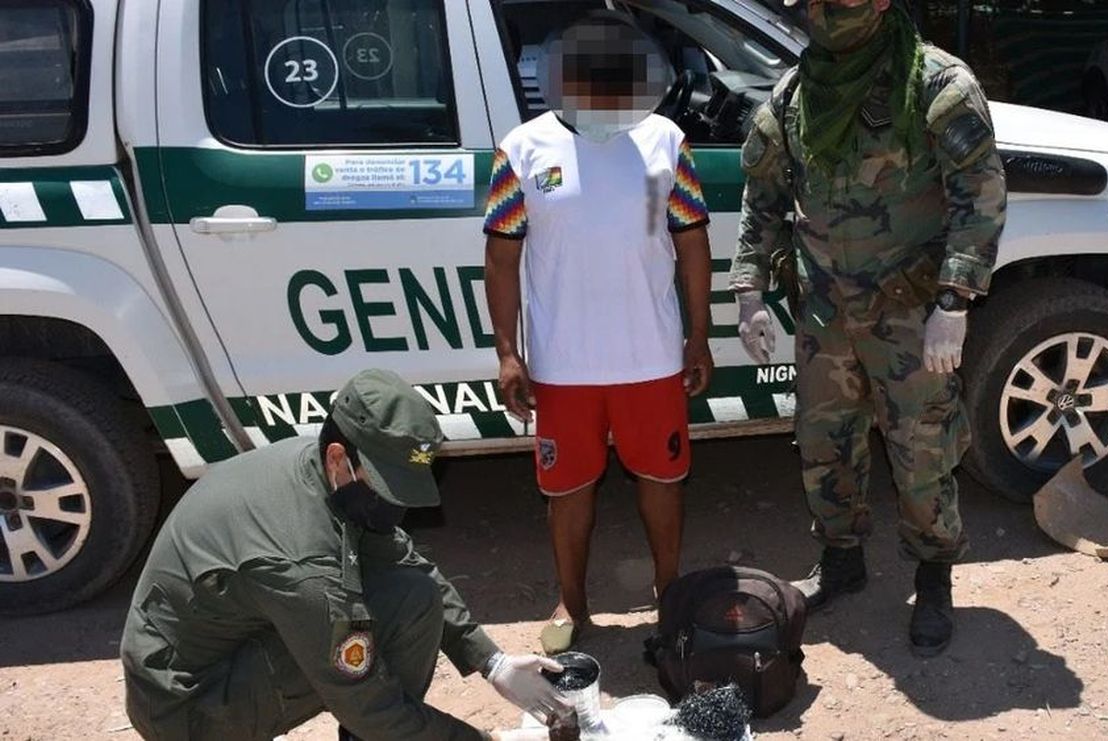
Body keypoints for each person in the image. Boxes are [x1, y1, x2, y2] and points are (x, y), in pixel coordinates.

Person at [729, 0, 1006, 656]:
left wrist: (955, 301)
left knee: (923, 448)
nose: (823, 13)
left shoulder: (936, 85)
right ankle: (842, 558)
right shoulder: (798, 92)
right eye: (810, 3)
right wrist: (749, 293)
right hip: (824, 314)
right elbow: (762, 196)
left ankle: (933, 575)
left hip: (908, 315)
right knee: (825, 443)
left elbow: (981, 193)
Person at [120, 369, 568, 740]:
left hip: (232, 640)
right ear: (339, 458)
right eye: (386, 487)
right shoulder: (302, 566)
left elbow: (409, 565)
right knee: (360, 668)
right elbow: (365, 699)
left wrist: (493, 662)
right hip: (186, 703)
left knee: (413, 596)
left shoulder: (320, 470)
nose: (397, 506)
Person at [481, 13, 714, 654]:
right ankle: (572, 602)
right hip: (563, 365)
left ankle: (670, 593)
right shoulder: (522, 149)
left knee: (662, 481)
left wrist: (699, 335)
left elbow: (690, 243)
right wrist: (509, 353)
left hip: (651, 357)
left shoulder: (666, 142)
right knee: (568, 490)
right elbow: (501, 258)